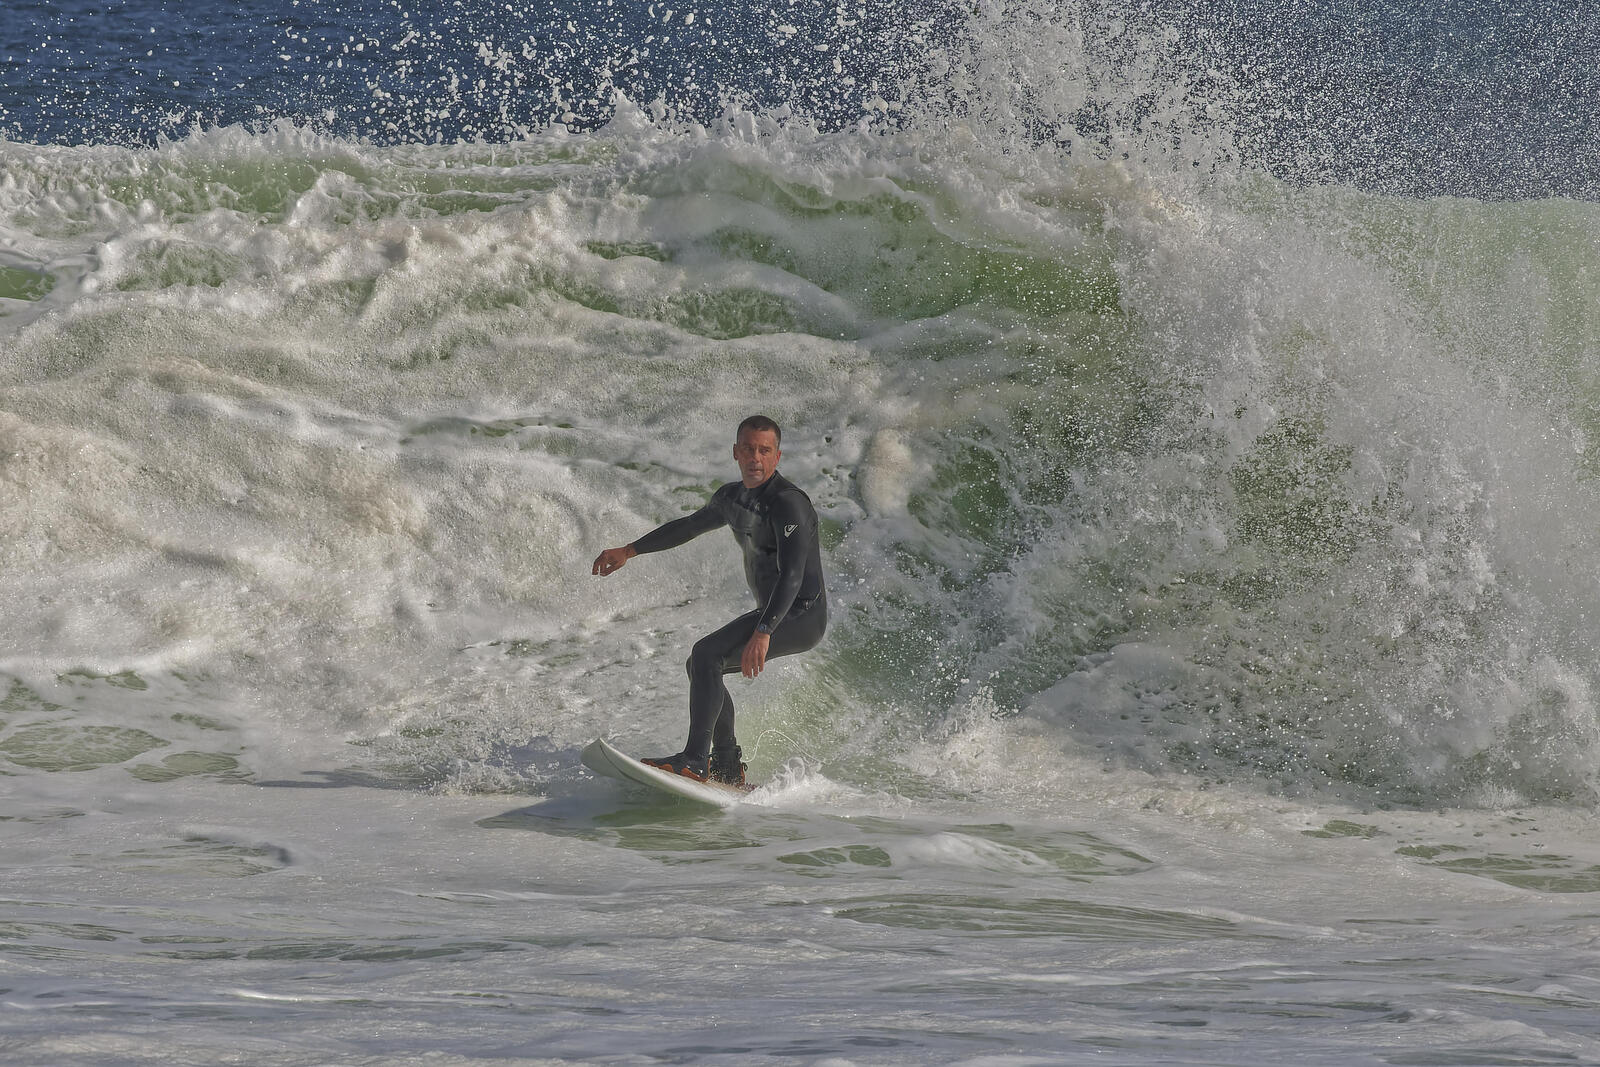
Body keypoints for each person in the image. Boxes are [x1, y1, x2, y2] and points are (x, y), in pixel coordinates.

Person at [591, 415, 827, 785]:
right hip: (773, 613)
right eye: (748, 449)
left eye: (764, 451)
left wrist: (764, 631)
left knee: (706, 655)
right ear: (736, 452)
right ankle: (728, 766)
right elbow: (688, 526)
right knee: (701, 665)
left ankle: (695, 760)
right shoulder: (731, 499)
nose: (755, 457)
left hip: (801, 614)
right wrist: (630, 550)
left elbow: (792, 575)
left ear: (777, 456)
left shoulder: (788, 504)